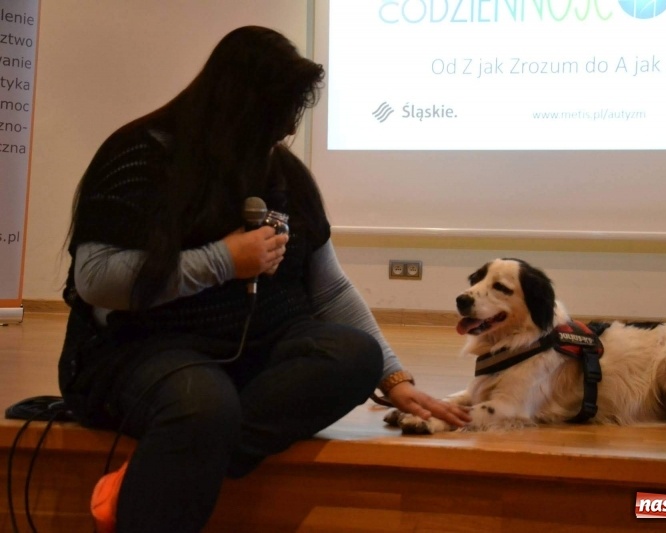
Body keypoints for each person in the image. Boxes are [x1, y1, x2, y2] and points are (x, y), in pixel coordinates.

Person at [58, 26, 470, 533]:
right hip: (145, 347)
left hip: (254, 349)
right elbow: (97, 279)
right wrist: (223, 260)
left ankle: (168, 468)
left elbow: (330, 288)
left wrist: (392, 376)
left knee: (352, 356)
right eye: (272, 122)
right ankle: (179, 460)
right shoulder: (140, 156)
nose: (281, 137)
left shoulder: (285, 174)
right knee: (201, 402)